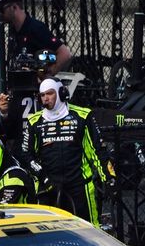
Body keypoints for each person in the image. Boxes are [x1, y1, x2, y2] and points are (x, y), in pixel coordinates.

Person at [20, 77, 113, 225]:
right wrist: (42, 175)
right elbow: (25, 154)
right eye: (42, 95)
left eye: (49, 93)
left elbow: (98, 150)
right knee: (49, 235)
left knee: (88, 231)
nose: (46, 99)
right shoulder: (34, 121)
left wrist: (108, 178)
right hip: (48, 186)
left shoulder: (83, 116)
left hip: (79, 185)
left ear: (61, 93)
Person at [0, 0, 72, 76]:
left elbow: (65, 54)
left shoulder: (36, 28)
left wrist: (46, 76)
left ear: (14, 7)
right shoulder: (14, 31)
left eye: (2, 9)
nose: (0, 14)